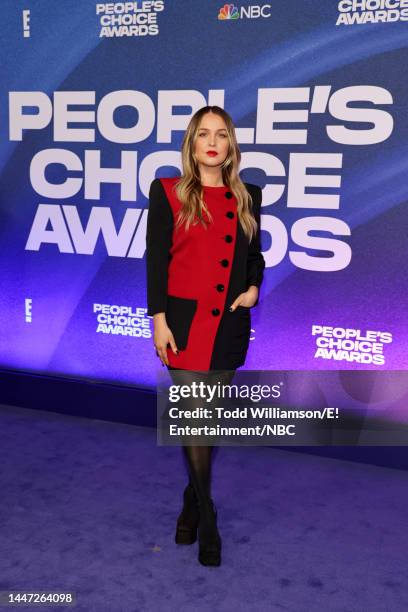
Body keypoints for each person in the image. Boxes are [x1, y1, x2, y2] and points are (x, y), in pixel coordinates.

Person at [145, 105, 266, 566]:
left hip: (230, 325)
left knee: (207, 421)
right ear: (191, 144)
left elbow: (255, 256)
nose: (212, 142)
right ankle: (208, 519)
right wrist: (158, 318)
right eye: (203, 134)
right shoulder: (167, 191)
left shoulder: (248, 196)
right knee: (196, 420)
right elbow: (156, 259)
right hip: (184, 326)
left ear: (230, 145)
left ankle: (191, 501)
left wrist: (253, 288)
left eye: (221, 134)